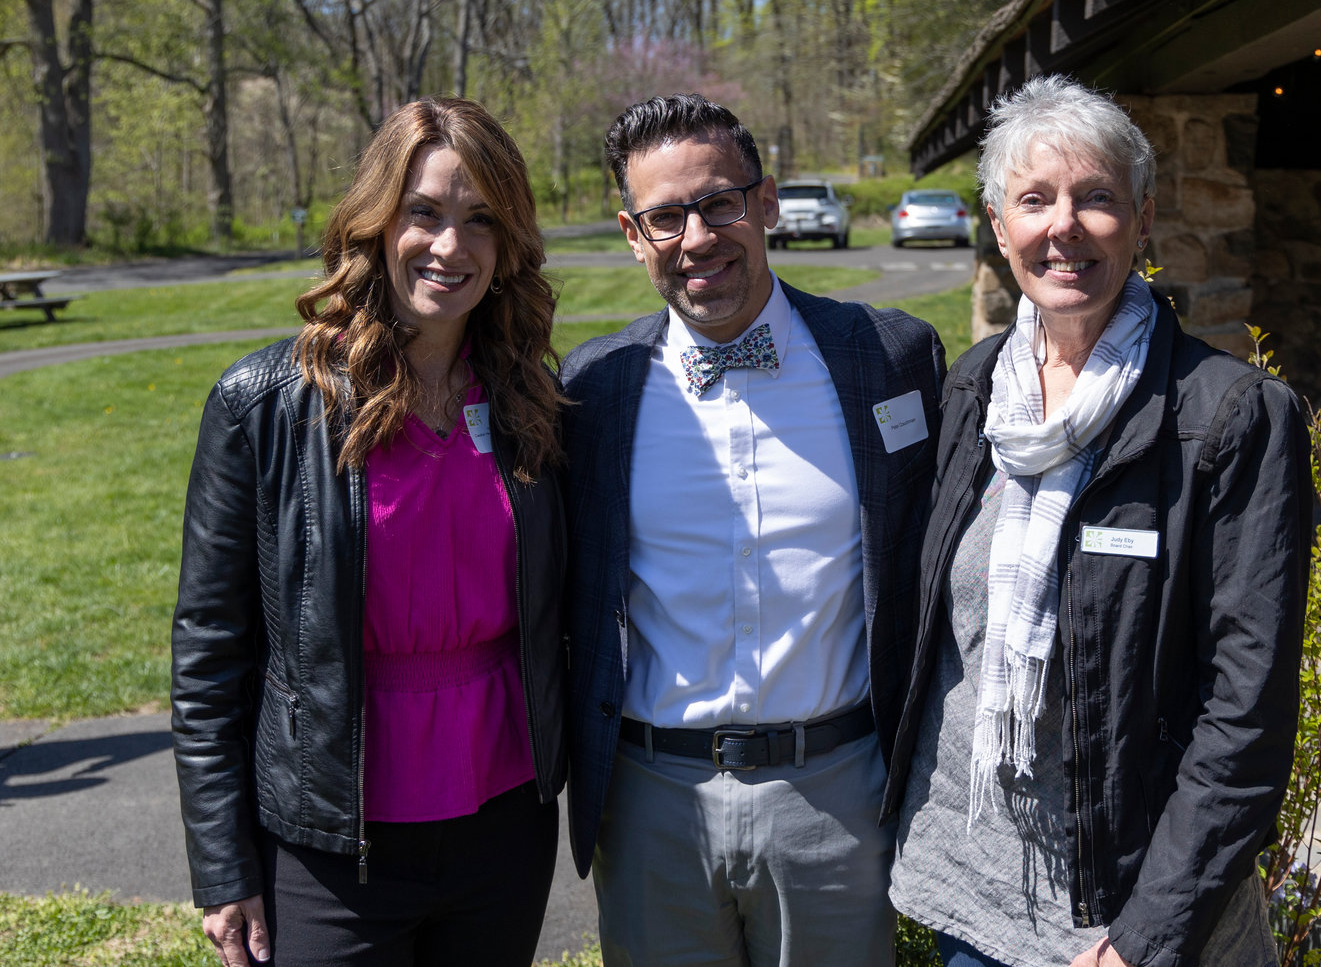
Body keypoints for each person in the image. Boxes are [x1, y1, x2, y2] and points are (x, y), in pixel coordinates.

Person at [887, 75, 1313, 967]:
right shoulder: (973, 389)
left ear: (1144, 220)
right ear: (1000, 227)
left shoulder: (1227, 418)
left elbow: (1246, 714)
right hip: (970, 888)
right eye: (1034, 200)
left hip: (1125, 916)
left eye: (1097, 199)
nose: (1064, 227)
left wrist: (1144, 939)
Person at [171, 97, 568, 967]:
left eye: (480, 222)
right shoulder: (266, 404)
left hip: (503, 825)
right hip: (329, 839)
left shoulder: (531, 400)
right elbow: (209, 653)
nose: (449, 247)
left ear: (508, 248)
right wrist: (221, 862)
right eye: (423, 213)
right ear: (376, 222)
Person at [560, 93, 945, 966]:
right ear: (632, 234)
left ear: (765, 204)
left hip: (838, 794)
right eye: (666, 217)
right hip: (653, 799)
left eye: (719, 203)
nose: (698, 238)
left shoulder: (888, 359)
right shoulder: (593, 390)